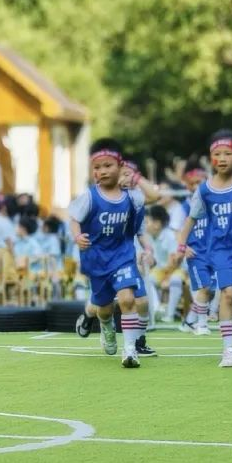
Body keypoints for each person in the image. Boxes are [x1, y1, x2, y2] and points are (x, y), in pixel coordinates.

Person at [174, 130, 232, 369]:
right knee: (227, 294)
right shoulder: (204, 190)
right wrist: (181, 245)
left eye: (227, 153)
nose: (222, 158)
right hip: (221, 251)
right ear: (211, 158)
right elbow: (191, 219)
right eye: (217, 154)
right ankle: (229, 350)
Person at [68, 138, 147, 368]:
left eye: (108, 165)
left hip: (123, 256)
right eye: (97, 167)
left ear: (120, 166)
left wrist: (136, 180)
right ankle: (106, 325)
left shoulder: (132, 196)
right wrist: (77, 236)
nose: (102, 171)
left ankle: (130, 350)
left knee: (127, 299)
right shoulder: (89, 196)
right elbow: (74, 219)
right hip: (97, 259)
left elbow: (153, 196)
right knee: (104, 308)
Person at [177, 167, 214, 336]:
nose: (196, 186)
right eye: (192, 183)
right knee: (204, 288)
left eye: (199, 182)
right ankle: (202, 324)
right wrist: (184, 247)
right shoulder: (184, 207)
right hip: (196, 253)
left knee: (209, 290)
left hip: (214, 252)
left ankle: (189, 321)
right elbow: (177, 230)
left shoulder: (213, 203)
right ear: (188, 186)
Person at [143, 205, 184, 324]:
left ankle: (170, 315)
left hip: (178, 268)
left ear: (157, 224)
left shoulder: (169, 236)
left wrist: (167, 278)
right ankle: (157, 309)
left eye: (147, 222)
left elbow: (175, 262)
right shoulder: (150, 237)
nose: (145, 225)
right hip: (162, 270)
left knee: (175, 280)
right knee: (148, 280)